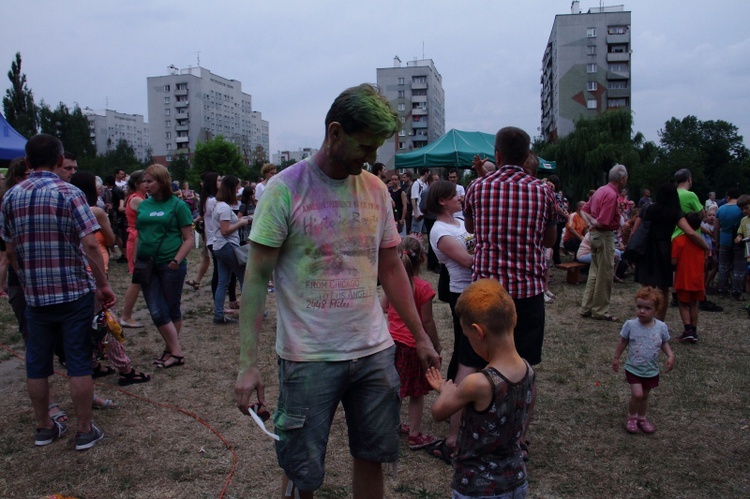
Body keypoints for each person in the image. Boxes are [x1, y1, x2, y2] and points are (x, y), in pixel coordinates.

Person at [234, 83, 440, 499]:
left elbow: (391, 267)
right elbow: (255, 279)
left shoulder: (376, 190)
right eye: (365, 146)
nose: (371, 158)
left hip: (374, 352)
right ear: (334, 133)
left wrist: (419, 336)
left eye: (377, 147)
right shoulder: (284, 189)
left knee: (373, 454)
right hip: (307, 358)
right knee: (301, 469)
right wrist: (247, 363)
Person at [1, 134, 116, 450]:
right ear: (59, 159)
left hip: (34, 294)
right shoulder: (69, 193)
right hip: (73, 292)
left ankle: (43, 427)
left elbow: (10, 250)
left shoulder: (11, 197)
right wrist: (103, 285)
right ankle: (83, 430)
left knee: (36, 363)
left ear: (27, 162)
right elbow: (91, 244)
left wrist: (25, 281)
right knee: (78, 360)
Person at [464, 127, 555, 461]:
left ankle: (481, 434)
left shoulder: (477, 186)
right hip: (527, 293)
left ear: (497, 155)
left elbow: (472, 229)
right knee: (524, 368)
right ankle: (517, 439)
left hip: (486, 293)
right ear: (528, 155)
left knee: (481, 364)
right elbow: (548, 241)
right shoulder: (543, 192)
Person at [426, 278, 535, 498]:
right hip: (515, 482)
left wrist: (446, 390)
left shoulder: (479, 382)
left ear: (478, 332)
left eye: (467, 337)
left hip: (478, 487)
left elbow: (438, 412)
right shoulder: (527, 370)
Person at [426, 179, 482, 463]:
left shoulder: (460, 221)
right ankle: (453, 403)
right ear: (441, 201)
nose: (460, 197)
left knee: (469, 352)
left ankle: (464, 403)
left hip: (476, 292)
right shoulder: (439, 230)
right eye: (454, 195)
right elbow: (468, 261)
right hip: (463, 295)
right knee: (464, 352)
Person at [380, 236, 441, 449]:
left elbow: (384, 307)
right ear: (422, 259)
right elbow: (427, 321)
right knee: (416, 392)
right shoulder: (423, 288)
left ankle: (393, 426)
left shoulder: (393, 286)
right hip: (414, 347)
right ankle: (415, 434)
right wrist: (435, 343)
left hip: (393, 343)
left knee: (395, 389)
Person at [135, 163, 194, 368]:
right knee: (156, 309)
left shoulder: (178, 206)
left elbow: (188, 238)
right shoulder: (143, 205)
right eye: (144, 181)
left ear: (162, 181)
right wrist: (135, 260)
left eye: (150, 181)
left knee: (171, 308)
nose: (146, 185)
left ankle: (170, 351)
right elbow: (140, 235)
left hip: (171, 265)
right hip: (146, 264)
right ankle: (176, 352)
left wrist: (176, 262)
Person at [631, 183, 708, 320]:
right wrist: (705, 246)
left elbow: (635, 231)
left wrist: (631, 247)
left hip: (646, 249)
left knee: (646, 287)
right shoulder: (675, 213)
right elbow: (690, 232)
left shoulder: (647, 208)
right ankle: (659, 321)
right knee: (663, 290)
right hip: (664, 249)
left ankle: (644, 318)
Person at [612, 287, 674, 434]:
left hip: (651, 369)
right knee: (637, 394)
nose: (642, 311)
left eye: (647, 308)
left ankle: (642, 418)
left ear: (656, 310)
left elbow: (664, 342)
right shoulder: (631, 325)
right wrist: (616, 358)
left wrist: (670, 355)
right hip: (633, 367)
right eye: (639, 307)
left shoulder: (660, 327)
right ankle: (632, 417)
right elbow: (623, 341)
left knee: (645, 396)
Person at [578, 164, 629, 322]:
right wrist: (594, 223)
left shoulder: (600, 190)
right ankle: (600, 310)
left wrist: (589, 224)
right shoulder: (611, 195)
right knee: (605, 273)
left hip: (594, 236)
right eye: (626, 177)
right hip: (603, 236)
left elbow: (583, 211)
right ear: (621, 179)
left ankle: (587, 307)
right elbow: (603, 222)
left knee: (595, 271)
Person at [212, 175, 251, 325]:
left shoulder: (220, 205)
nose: (238, 190)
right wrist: (242, 223)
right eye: (236, 187)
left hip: (220, 247)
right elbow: (225, 230)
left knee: (223, 281)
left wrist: (241, 220)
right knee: (244, 278)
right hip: (226, 246)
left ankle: (219, 314)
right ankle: (251, 312)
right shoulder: (224, 208)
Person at [671, 212, 708, 343]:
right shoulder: (701, 242)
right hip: (697, 278)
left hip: (684, 277)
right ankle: (694, 330)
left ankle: (687, 330)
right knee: (694, 304)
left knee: (682, 303)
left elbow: (674, 261)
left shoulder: (678, 241)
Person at [119, 170, 147, 329]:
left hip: (138, 238)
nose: (148, 185)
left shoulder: (139, 198)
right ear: (137, 184)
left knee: (140, 279)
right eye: (145, 182)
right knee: (137, 280)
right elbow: (151, 213)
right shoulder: (137, 199)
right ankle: (126, 316)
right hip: (136, 239)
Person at [714, 188, 745, 300]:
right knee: (739, 267)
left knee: (723, 266)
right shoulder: (742, 209)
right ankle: (736, 291)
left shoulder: (720, 209)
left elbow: (716, 227)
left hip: (724, 240)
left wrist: (717, 241)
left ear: (728, 197)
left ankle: (722, 290)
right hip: (739, 240)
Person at [734, 195, 750, 294]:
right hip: (748, 254)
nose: (744, 211)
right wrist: (738, 238)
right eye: (742, 209)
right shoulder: (743, 220)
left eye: (746, 208)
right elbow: (740, 233)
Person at [410, 168, 430, 237]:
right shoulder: (416, 184)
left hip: (423, 213)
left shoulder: (424, 185)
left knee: (422, 233)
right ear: (426, 173)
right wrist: (415, 213)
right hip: (418, 213)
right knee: (415, 232)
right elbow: (413, 198)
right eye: (429, 173)